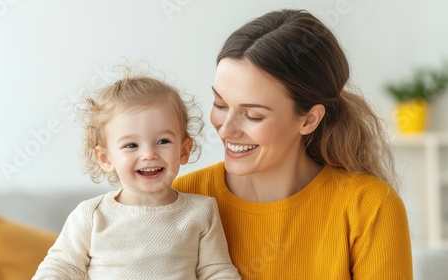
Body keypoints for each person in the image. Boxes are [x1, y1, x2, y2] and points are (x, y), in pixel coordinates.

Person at [172, 9, 413, 279]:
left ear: (309, 119)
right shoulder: (181, 199)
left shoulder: (369, 207)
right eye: (220, 104)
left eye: (253, 115)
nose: (226, 129)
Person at [33, 67, 241, 279]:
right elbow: (62, 266)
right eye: (131, 145)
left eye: (163, 141)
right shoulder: (92, 215)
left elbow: (216, 271)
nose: (149, 154)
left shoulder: (201, 212)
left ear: (184, 150)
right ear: (105, 158)